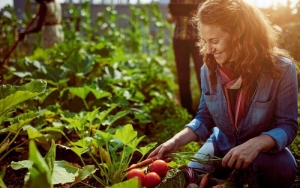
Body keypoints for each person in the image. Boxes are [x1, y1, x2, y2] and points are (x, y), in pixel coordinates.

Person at [148, 0, 299, 187]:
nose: (209, 50)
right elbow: (204, 117)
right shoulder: (208, 70)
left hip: (263, 152)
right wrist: (175, 141)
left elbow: (288, 125)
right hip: (221, 144)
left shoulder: (281, 69)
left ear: (239, 36)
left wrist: (257, 143)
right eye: (205, 41)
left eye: (214, 41)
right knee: (190, 176)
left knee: (283, 171)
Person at [167, 0, 204, 116]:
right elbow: (169, 18)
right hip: (179, 40)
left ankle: (205, 108)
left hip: (197, 39)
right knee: (182, 75)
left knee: (202, 73)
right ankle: (187, 110)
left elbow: (209, 16)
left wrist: (198, 14)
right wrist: (174, 15)